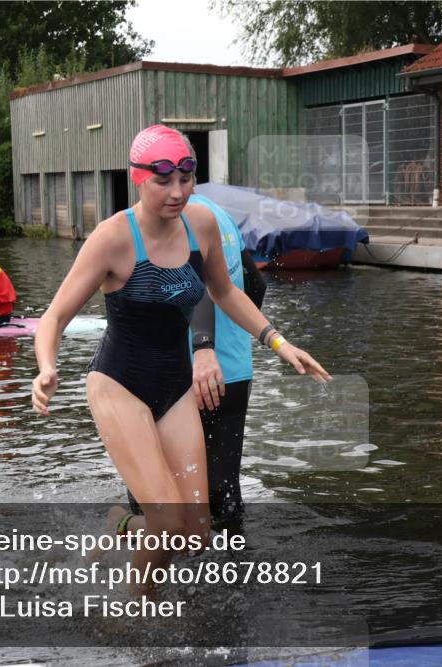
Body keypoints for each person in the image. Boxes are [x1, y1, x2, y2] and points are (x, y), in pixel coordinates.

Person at [31, 125, 329, 593]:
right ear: (138, 179)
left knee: (196, 533)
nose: (176, 192)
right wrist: (47, 367)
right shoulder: (112, 239)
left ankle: (120, 524)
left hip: (175, 387)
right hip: (119, 384)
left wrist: (279, 342)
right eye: (162, 181)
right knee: (168, 521)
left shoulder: (201, 224)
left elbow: (226, 291)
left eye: (186, 178)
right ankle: (137, 607)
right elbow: (53, 318)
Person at [126, 191, 267, 529]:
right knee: (223, 490)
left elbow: (192, 284)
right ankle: (234, 570)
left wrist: (203, 346)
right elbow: (256, 286)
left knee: (151, 492)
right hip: (233, 371)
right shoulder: (222, 216)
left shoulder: (177, 220)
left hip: (182, 372)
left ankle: (133, 553)